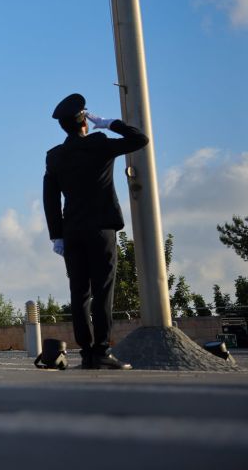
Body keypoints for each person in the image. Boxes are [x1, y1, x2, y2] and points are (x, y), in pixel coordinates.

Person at [43, 93, 148, 370]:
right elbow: (140, 139)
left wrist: (57, 235)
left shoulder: (54, 156)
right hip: (100, 229)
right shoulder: (99, 144)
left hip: (72, 232)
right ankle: (101, 351)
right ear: (85, 123)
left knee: (79, 293)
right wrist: (109, 123)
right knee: (102, 291)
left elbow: (50, 200)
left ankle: (87, 353)